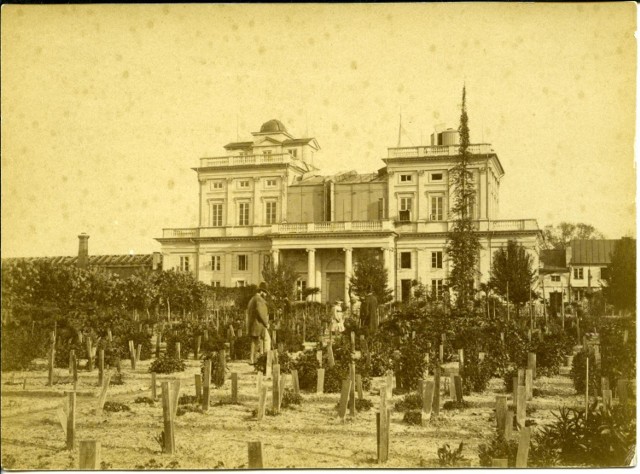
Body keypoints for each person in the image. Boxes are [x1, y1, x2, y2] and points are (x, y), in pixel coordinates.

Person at [247, 282, 271, 363]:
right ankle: (266, 358)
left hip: (252, 324)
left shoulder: (252, 299)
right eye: (265, 293)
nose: (266, 295)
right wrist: (266, 323)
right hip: (259, 324)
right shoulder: (260, 300)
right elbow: (261, 313)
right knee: (267, 340)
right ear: (261, 292)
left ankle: (252, 359)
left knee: (254, 342)